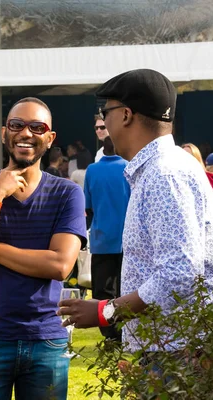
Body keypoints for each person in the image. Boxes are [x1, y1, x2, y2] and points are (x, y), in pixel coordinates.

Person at [58, 69, 213, 356]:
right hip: (175, 346)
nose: (104, 123)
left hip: (178, 351)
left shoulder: (164, 173)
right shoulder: (164, 167)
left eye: (105, 113)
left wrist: (106, 311)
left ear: (125, 115)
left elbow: (179, 273)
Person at [0, 97, 87, 400]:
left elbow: (60, 266)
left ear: (50, 137)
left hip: (46, 339)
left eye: (37, 127)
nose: (26, 133)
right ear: (5, 132)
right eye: (17, 125)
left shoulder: (67, 193)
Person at [83, 136, 130, 342]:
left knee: (103, 290)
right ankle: (126, 330)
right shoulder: (129, 168)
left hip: (101, 239)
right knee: (126, 287)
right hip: (127, 239)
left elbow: (88, 205)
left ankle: (109, 334)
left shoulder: (92, 170)